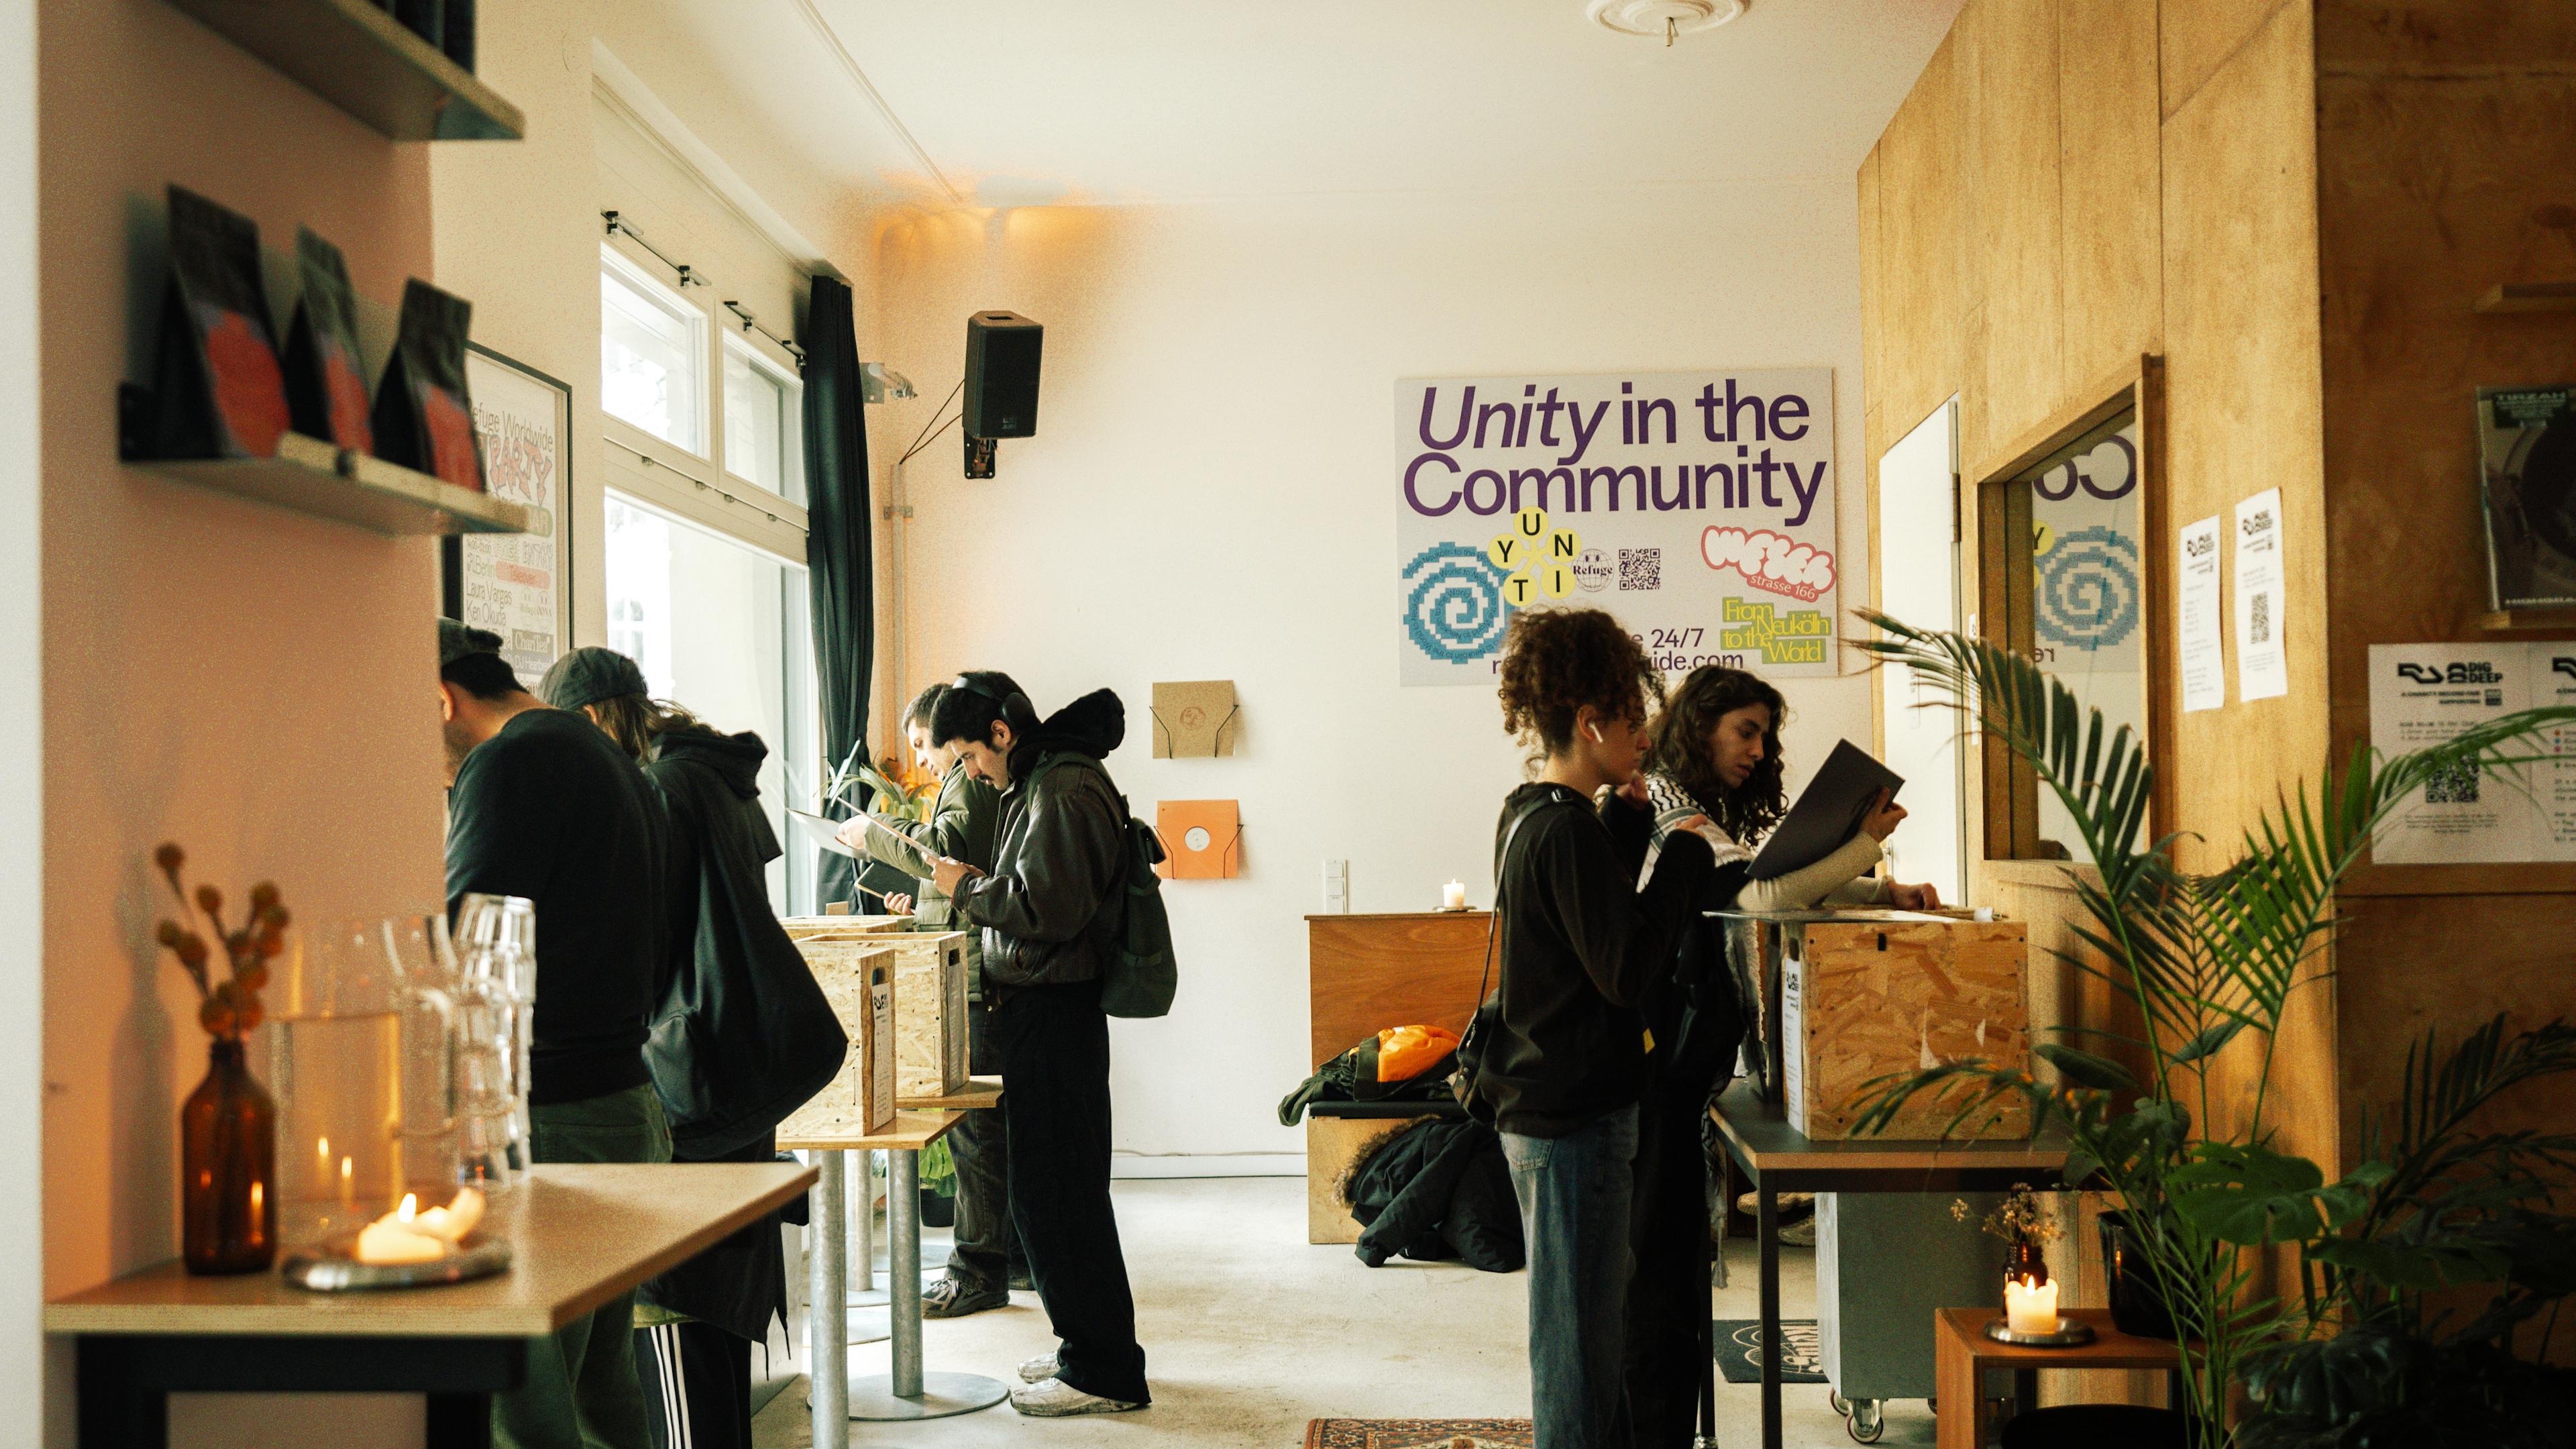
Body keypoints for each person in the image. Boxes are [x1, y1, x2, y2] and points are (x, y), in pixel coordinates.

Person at [1616, 665, 1939, 1448]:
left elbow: (1765, 881)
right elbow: (1756, 901)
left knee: (1671, 1265)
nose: (1759, 750)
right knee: (1656, 1271)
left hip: (1678, 1071)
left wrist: (1879, 892)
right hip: (1657, 1073)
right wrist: (1864, 847)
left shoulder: (1699, 807)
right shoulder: (1674, 807)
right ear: (1700, 727)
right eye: (1746, 731)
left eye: (1765, 735)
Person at [537, 647, 846, 1449]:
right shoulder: (712, 777)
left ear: (592, 719)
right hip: (729, 1077)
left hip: (688, 1086)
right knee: (709, 1354)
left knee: (676, 1340)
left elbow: (645, 945)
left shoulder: (661, 790)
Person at [1470, 608, 1715, 1449]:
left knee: (1585, 1343)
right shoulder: (1566, 829)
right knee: (1579, 1356)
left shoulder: (1531, 813)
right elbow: (1624, 969)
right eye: (1633, 717)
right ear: (1590, 722)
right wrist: (1685, 858)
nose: (1646, 736)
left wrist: (1629, 829)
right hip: (1573, 1123)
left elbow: (1584, 925)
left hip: (1551, 1111)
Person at [438, 621, 669, 1449]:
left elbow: (464, 939)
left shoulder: (509, 762)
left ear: (441, 701)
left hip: (554, 1117)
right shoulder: (605, 756)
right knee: (602, 1390)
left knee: (529, 1409)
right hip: (622, 1104)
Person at [919, 672, 1150, 1417]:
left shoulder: (1063, 788)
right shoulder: (1047, 780)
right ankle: (1090, 1347)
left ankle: (1102, 1371)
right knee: (1053, 1193)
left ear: (1000, 733)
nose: (972, 773)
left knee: (1059, 1197)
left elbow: (1045, 909)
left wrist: (963, 886)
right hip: (1044, 1010)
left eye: (969, 756)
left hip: (1055, 1011)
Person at [836, 682, 1018, 1318]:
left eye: (925, 745)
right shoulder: (966, 780)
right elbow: (955, 879)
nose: (924, 759)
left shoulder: (967, 779)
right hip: (975, 970)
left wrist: (874, 832)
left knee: (976, 1132)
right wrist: (919, 906)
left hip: (975, 980)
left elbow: (948, 853)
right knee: (988, 1132)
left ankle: (978, 1270)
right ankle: (1008, 1258)